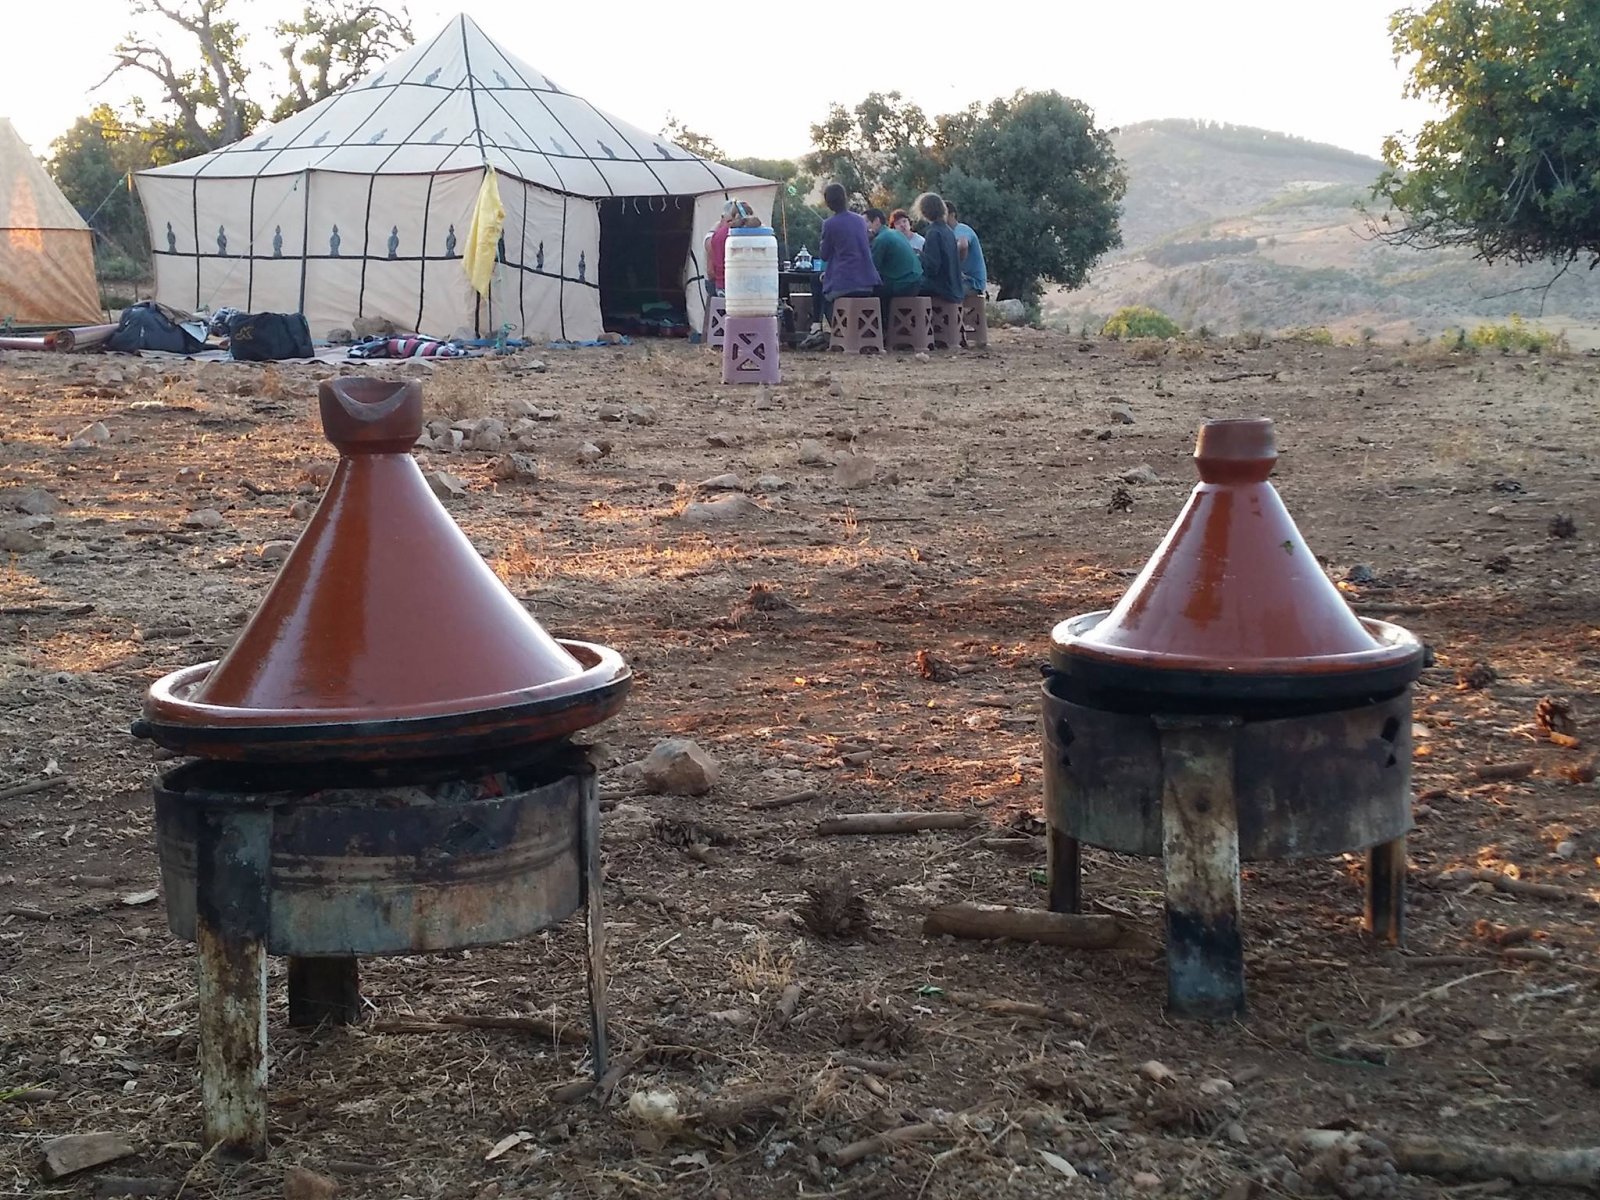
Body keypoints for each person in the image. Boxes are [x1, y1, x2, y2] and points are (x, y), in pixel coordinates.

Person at [817, 183, 881, 325]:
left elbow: (824, 255)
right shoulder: (860, 220)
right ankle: (862, 331)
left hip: (845, 282)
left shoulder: (829, 224)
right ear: (845, 199)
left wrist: (822, 242)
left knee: (823, 294)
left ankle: (838, 332)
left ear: (828, 203)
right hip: (867, 281)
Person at [866, 207, 922, 327]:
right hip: (915, 281)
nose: (864, 227)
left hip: (903, 284)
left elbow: (871, 270)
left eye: (866, 222)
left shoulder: (880, 240)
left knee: (868, 293)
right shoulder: (895, 233)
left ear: (876, 221)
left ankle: (882, 330)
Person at [915, 192, 964, 304]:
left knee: (906, 288)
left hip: (942, 289)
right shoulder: (948, 231)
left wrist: (919, 257)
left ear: (923, 212)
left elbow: (932, 267)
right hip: (954, 288)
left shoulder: (933, 232)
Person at [946, 202, 987, 298]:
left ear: (952, 214)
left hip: (973, 283)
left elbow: (963, 245)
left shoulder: (961, 229)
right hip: (962, 281)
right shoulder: (949, 234)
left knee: (944, 293)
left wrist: (956, 267)